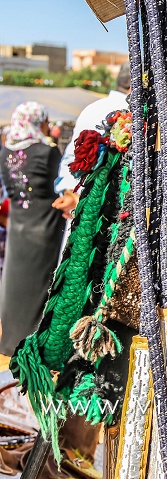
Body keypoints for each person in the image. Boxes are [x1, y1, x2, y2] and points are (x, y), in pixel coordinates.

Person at [0, 102, 65, 355]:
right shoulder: (46, 151)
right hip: (44, 229)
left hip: (18, 229)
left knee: (15, 282)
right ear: (38, 121)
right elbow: (58, 187)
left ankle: (10, 342)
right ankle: (35, 344)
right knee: (40, 283)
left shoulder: (5, 152)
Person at [53, 62, 130, 219]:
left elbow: (71, 157)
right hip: (111, 210)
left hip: (82, 204)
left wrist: (69, 193)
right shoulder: (132, 111)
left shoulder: (91, 108)